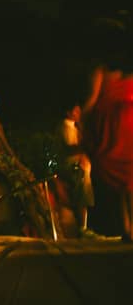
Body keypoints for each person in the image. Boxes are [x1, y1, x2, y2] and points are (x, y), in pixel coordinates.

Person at [83, 65, 133, 242]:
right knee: (125, 184)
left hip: (123, 132)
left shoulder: (101, 72)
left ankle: (129, 229)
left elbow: (90, 103)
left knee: (128, 183)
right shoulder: (100, 72)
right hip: (113, 132)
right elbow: (90, 102)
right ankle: (127, 229)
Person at [59, 99, 94, 234]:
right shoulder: (65, 127)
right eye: (76, 111)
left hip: (81, 168)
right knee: (81, 197)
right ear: (69, 112)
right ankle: (81, 229)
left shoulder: (74, 127)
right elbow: (70, 148)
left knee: (84, 198)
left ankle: (83, 228)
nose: (79, 113)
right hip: (76, 169)